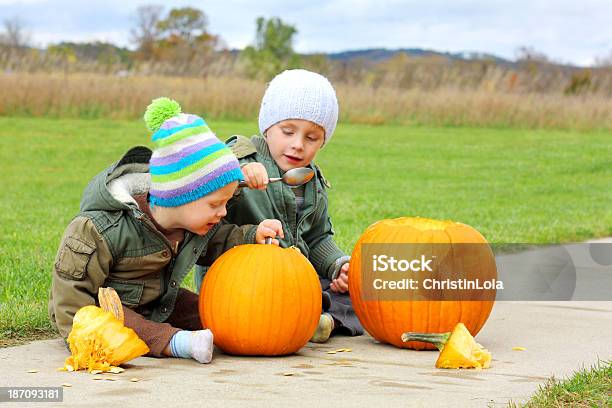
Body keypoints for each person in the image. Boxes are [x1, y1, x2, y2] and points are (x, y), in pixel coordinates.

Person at [48, 97, 283, 363]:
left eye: (226, 203)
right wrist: (85, 337)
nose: (223, 212)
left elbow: (219, 240)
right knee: (126, 321)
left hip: (161, 302)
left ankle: (254, 328)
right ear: (180, 196)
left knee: (212, 310)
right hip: (105, 308)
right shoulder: (101, 230)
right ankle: (176, 343)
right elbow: (70, 293)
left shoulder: (191, 224)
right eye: (216, 203)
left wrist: (253, 235)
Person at [195, 69, 364, 342]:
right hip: (241, 285)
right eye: (287, 131)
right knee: (287, 303)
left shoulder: (311, 182)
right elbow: (209, 179)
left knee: (365, 295)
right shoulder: (240, 159)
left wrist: (337, 265)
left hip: (294, 280)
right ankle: (313, 318)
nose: (297, 145)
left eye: (312, 138)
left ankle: (325, 321)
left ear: (323, 142)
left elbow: (318, 237)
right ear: (267, 127)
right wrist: (238, 177)